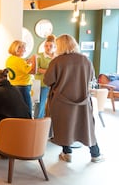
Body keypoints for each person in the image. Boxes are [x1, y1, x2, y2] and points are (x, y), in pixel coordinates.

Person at [43, 34, 104, 163]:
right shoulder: (85, 60)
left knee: (64, 127)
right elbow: (91, 78)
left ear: (60, 46)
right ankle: (95, 154)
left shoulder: (56, 61)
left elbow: (47, 80)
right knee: (86, 127)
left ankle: (67, 153)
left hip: (61, 102)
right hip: (82, 100)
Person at [6, 40, 36, 115]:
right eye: (24, 48)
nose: (25, 50)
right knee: (27, 110)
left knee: (17, 109)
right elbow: (33, 71)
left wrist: (27, 62)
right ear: (18, 49)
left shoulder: (10, 59)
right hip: (23, 87)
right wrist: (34, 59)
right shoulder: (19, 61)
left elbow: (20, 68)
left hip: (13, 86)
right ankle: (28, 126)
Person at [34, 34, 56, 118]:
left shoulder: (56, 58)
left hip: (52, 85)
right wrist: (49, 71)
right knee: (39, 106)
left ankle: (46, 125)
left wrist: (44, 70)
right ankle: (37, 124)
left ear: (54, 47)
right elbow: (36, 70)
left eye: (51, 46)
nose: (48, 47)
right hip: (39, 84)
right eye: (46, 46)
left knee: (50, 106)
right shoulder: (39, 56)